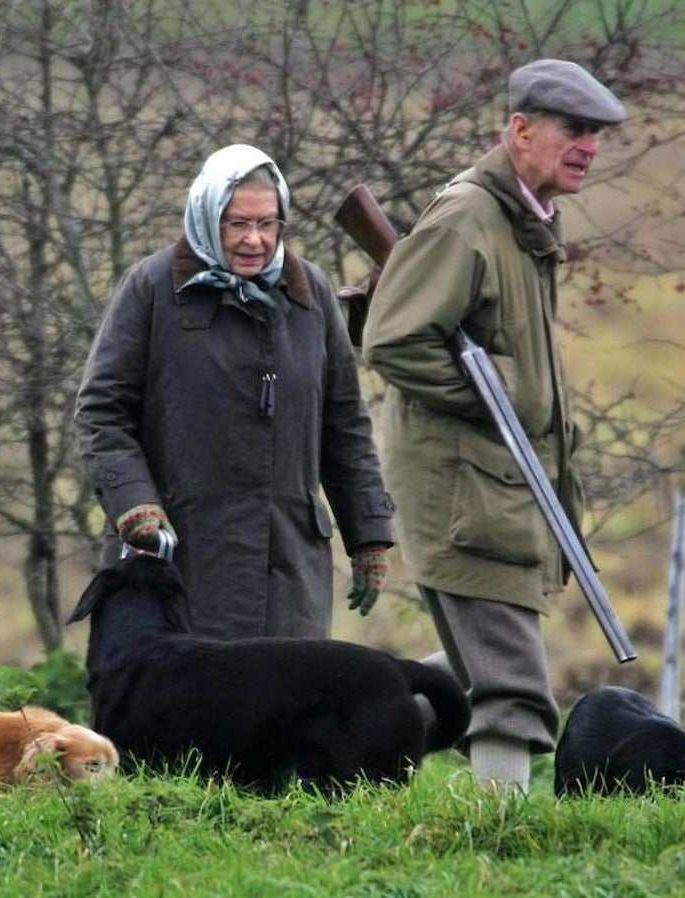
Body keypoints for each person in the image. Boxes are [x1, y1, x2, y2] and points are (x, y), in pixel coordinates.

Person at [361, 59, 627, 794]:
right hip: (468, 487)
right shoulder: (467, 219)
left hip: (502, 481)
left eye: (596, 135)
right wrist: (492, 397)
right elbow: (392, 340)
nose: (589, 147)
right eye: (573, 130)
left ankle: (348, 731)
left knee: (480, 663)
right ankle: (498, 839)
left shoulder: (522, 220)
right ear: (519, 130)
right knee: (509, 681)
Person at [74, 143, 395, 640]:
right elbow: (102, 412)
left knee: (285, 708)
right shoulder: (151, 288)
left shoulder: (310, 295)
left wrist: (368, 533)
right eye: (237, 224)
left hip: (288, 568)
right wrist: (134, 504)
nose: (255, 240)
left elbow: (345, 425)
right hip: (176, 559)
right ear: (205, 214)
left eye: (268, 224)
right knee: (177, 712)